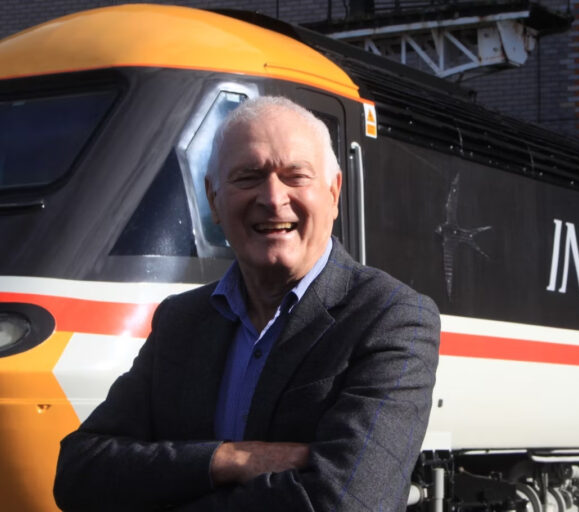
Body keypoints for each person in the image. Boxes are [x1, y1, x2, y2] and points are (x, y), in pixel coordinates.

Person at [53, 96, 440, 511]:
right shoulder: (180, 322)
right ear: (214, 199)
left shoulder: (391, 317)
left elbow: (347, 502)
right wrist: (229, 459)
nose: (273, 199)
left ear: (334, 192)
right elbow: (78, 473)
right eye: (248, 176)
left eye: (295, 176)